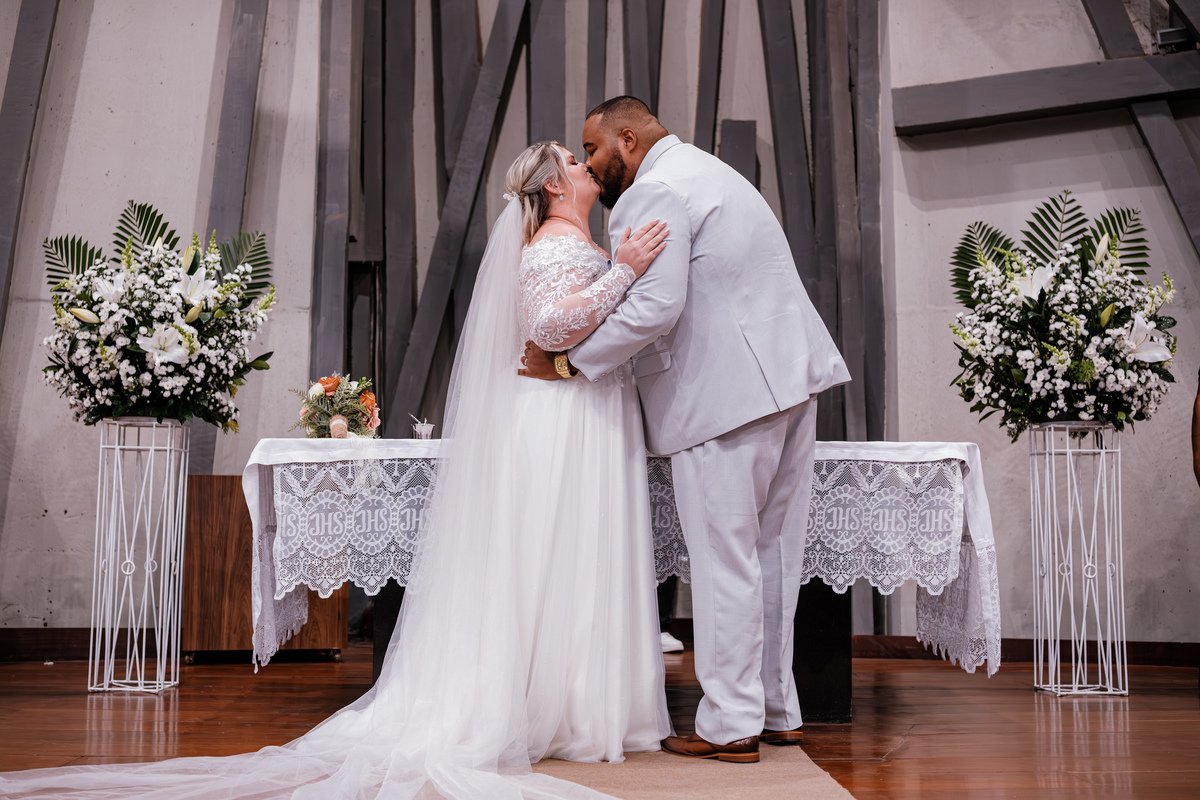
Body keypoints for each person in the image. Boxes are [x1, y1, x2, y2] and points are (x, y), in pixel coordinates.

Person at [0, 142, 672, 799]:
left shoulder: (568, 242)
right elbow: (553, 328)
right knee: (553, 556)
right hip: (557, 423)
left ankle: (573, 701)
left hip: (572, 416)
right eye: (578, 163)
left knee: (568, 558)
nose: (589, 169)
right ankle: (561, 706)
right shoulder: (555, 245)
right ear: (555, 186)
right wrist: (627, 271)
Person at [522, 97, 851, 763]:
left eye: (594, 149)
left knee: (725, 561)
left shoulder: (655, 191)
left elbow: (656, 305)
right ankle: (776, 708)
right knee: (773, 559)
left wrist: (570, 364)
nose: (591, 163)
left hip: (724, 397)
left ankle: (731, 724)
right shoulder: (710, 172)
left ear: (628, 138)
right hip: (788, 380)